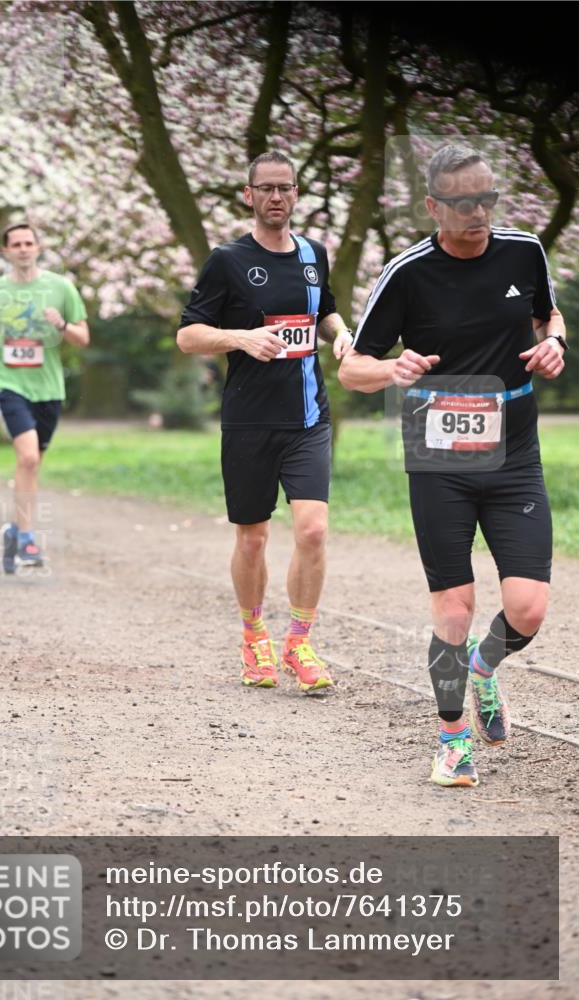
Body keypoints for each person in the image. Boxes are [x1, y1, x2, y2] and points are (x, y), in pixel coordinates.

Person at [338, 143, 567, 787]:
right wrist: (391, 368)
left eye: (487, 199)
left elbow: (547, 313)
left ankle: (485, 670)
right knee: (455, 611)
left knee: (527, 609)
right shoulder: (407, 272)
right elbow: (352, 367)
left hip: (514, 453)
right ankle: (452, 739)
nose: (478, 214)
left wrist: (554, 341)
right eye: (463, 203)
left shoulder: (524, 252)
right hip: (439, 456)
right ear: (433, 206)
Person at [177, 151, 353, 693]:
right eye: (266, 188)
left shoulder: (313, 254)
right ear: (248, 196)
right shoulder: (226, 261)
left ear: (297, 194)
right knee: (252, 539)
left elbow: (324, 312)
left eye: (286, 188)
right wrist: (239, 338)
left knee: (313, 529)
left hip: (307, 416)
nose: (277, 197)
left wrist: (341, 334)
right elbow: (188, 336)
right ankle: (254, 636)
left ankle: (298, 642)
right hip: (250, 421)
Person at [0, 223, 89, 573]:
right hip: (8, 383)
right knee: (26, 457)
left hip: (49, 388)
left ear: (38, 248)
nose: (23, 249)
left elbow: (83, 338)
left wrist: (61, 326)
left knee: (32, 464)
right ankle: (26, 537)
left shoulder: (60, 287)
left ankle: (14, 530)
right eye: (16, 244)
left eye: (28, 243)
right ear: (6, 251)